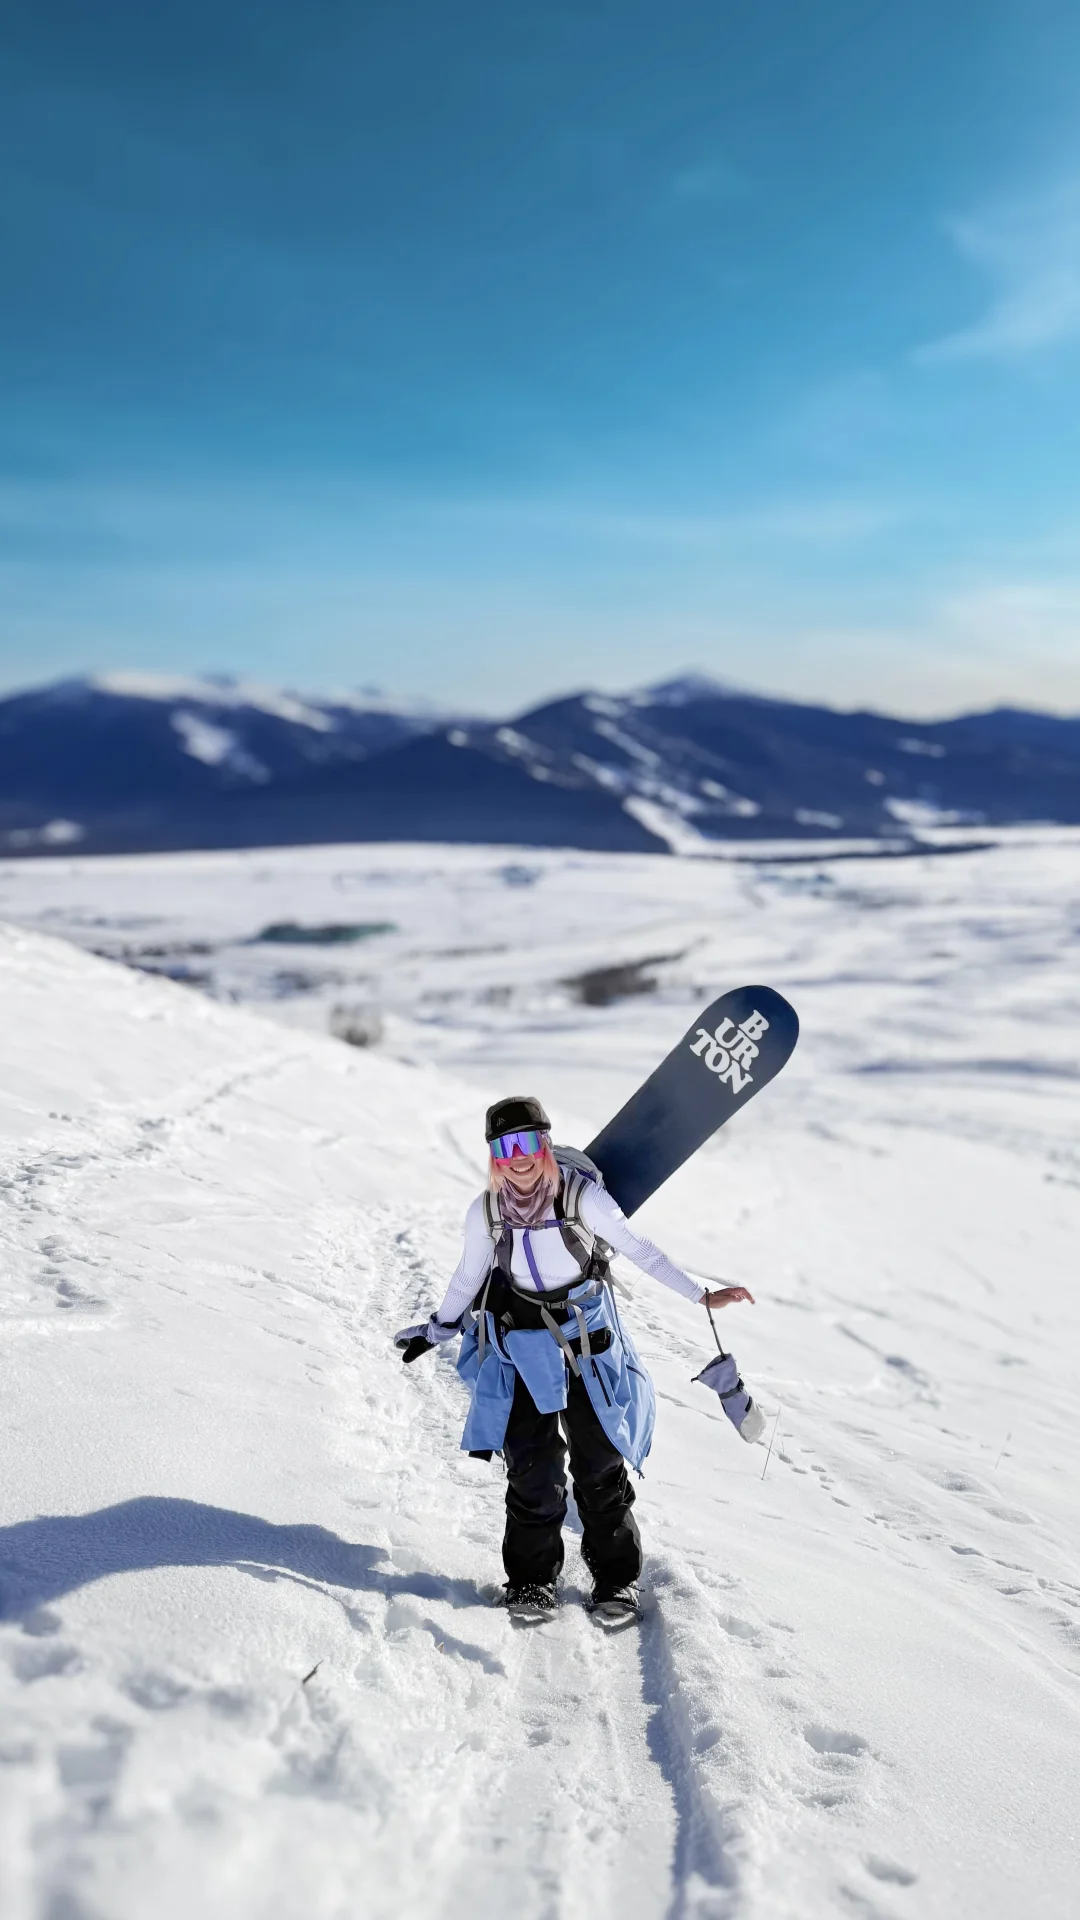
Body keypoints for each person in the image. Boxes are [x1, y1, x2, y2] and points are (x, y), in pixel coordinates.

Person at [394, 1095, 753, 1623]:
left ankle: (616, 1581)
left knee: (598, 1465)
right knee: (532, 1471)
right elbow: (469, 1276)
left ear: (546, 1144)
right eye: (506, 1146)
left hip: (587, 1344)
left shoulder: (581, 1198)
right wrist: (438, 1328)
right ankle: (531, 1582)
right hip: (519, 1347)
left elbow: (640, 1250)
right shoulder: (487, 1211)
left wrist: (702, 1292)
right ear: (493, 1154)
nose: (518, 1157)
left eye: (529, 1143)